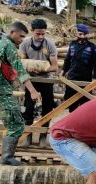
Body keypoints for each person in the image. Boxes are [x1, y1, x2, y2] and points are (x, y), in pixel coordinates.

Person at [0, 22, 41, 165]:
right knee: (16, 124)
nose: (22, 40)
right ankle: (7, 158)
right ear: (12, 32)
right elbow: (21, 71)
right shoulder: (9, 46)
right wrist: (32, 91)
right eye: (21, 36)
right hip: (0, 90)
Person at [19, 19, 58, 147]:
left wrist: (40, 70)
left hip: (47, 80)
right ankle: (28, 136)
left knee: (47, 107)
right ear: (32, 31)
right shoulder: (25, 44)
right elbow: (21, 64)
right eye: (38, 34)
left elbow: (54, 67)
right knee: (28, 107)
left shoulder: (50, 45)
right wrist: (28, 69)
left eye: (43, 34)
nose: (41, 36)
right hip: (31, 81)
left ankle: (42, 136)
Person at [60, 23, 96, 113]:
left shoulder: (93, 48)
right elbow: (67, 60)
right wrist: (62, 72)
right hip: (72, 78)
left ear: (87, 34)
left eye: (84, 34)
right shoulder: (72, 45)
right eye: (80, 34)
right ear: (77, 33)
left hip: (85, 80)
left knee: (85, 106)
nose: (82, 36)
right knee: (71, 105)